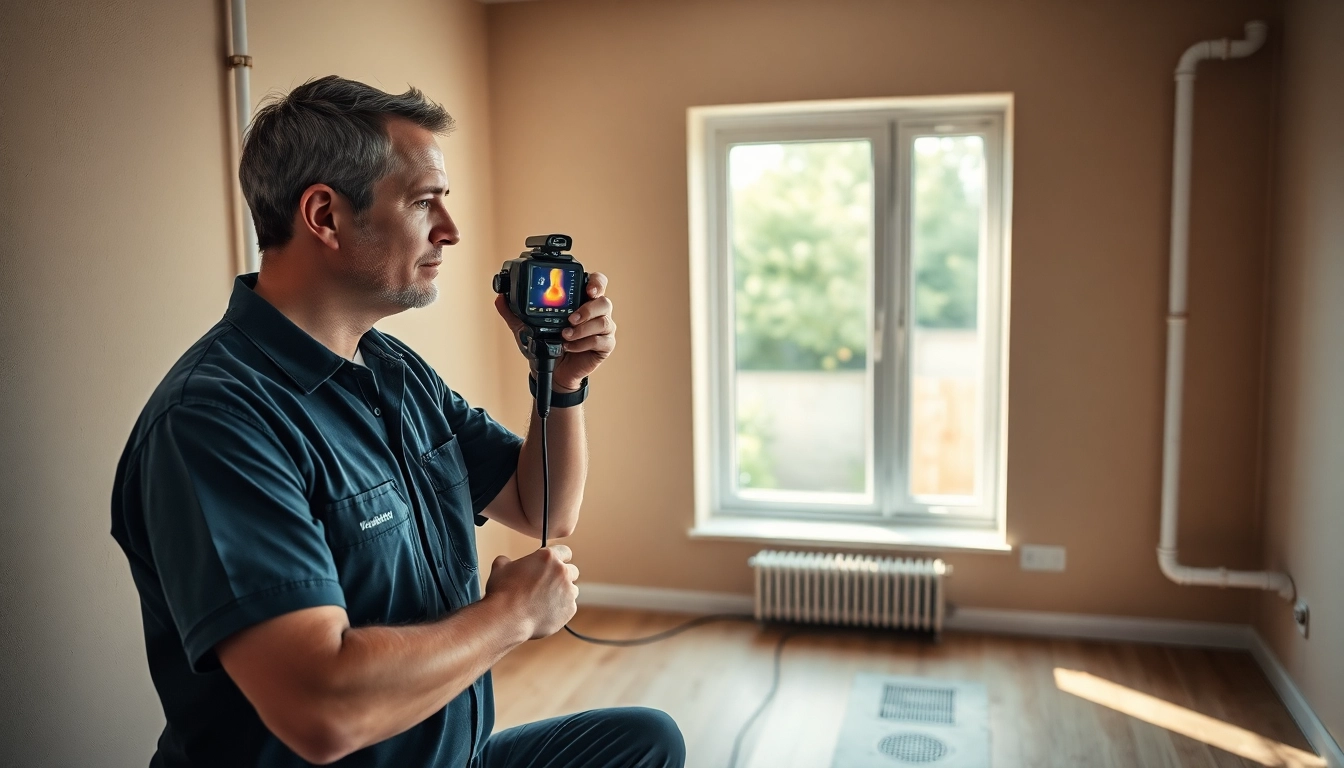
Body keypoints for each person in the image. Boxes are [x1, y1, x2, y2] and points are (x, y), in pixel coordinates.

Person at [110, 75, 685, 768]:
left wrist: (561, 383)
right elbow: (322, 711)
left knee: (643, 742)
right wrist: (510, 616)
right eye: (423, 202)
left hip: (449, 755)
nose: (451, 229)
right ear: (324, 215)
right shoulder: (216, 422)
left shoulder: (393, 372)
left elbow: (542, 506)